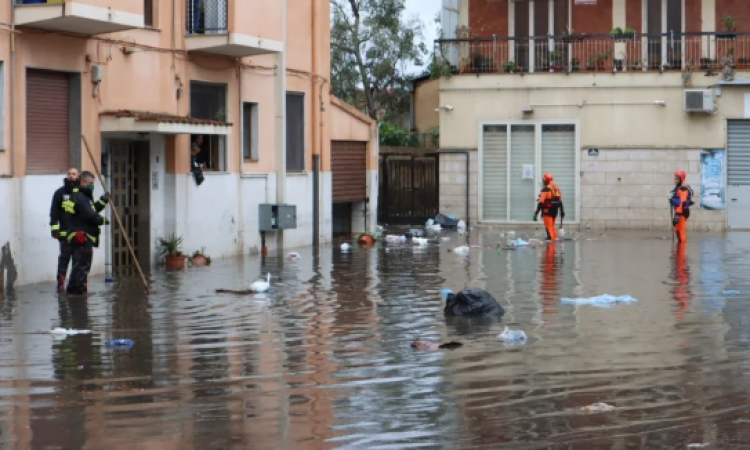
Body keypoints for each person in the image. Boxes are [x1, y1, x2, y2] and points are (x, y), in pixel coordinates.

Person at [64, 171, 110, 295]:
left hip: (80, 237)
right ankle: (76, 295)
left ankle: (74, 293)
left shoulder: (82, 196)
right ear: (83, 182)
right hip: (82, 237)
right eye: (90, 183)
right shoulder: (81, 197)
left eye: (93, 184)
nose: (92, 186)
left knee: (79, 266)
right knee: (82, 267)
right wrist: (103, 220)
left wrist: (102, 201)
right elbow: (90, 216)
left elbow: (91, 210)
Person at [49, 167, 79, 291]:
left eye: (74, 174)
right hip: (64, 233)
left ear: (78, 176)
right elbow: (54, 213)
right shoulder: (59, 193)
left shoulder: (82, 193)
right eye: (69, 174)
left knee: (78, 260)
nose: (71, 176)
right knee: (64, 258)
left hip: (79, 233)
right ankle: (61, 283)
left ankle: (77, 284)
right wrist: (55, 230)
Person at [534, 173, 565, 241]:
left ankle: (551, 245)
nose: (543, 181)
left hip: (547, 211)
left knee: (549, 228)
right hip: (555, 211)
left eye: (544, 179)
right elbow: (559, 201)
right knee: (552, 227)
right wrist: (562, 211)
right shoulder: (556, 188)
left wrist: (536, 213)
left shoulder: (545, 190)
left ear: (546, 180)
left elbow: (541, 202)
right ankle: (554, 241)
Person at [670, 170, 694, 244]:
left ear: (681, 179)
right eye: (675, 178)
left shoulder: (683, 189)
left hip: (682, 213)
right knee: (677, 230)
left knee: (681, 232)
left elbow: (681, 202)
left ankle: (682, 252)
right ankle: (679, 250)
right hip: (679, 212)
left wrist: (677, 215)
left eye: (677, 179)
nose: (675, 180)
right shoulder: (678, 188)